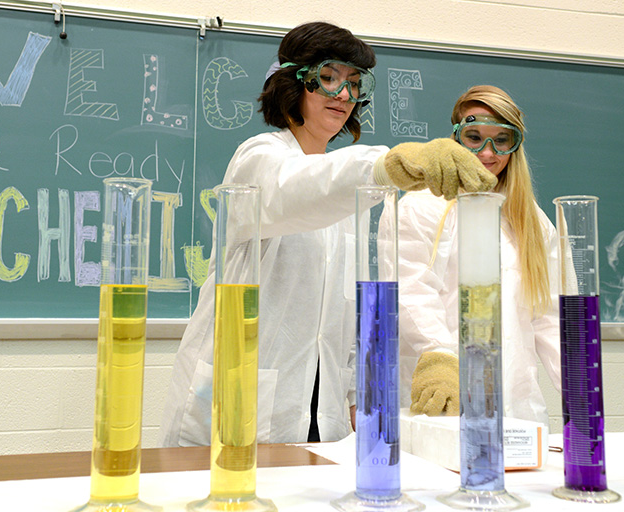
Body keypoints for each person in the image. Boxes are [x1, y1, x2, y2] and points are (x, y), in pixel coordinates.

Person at [159, 22, 497, 447]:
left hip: (323, 413)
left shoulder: (348, 195)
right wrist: (386, 165)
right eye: (329, 78)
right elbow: (295, 190)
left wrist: (354, 393)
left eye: (354, 84)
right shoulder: (259, 158)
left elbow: (345, 305)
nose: (343, 95)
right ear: (292, 82)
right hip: (241, 403)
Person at [392, 85, 561, 426]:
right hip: (446, 399)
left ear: (516, 145)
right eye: (474, 137)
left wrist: (580, 385)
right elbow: (410, 289)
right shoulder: (424, 203)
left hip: (518, 408)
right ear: (455, 137)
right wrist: (440, 357)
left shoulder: (532, 221)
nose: (488, 152)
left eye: (502, 139)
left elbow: (549, 316)